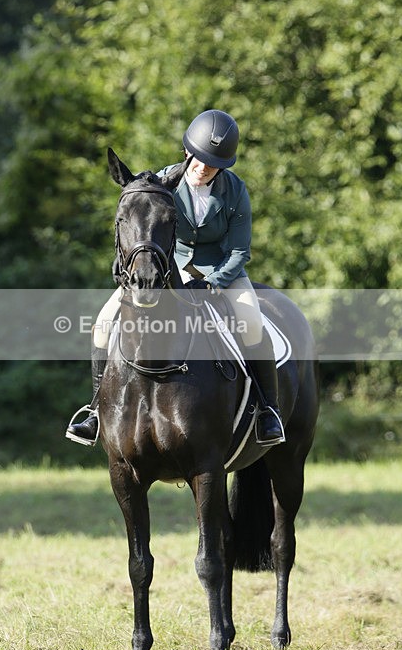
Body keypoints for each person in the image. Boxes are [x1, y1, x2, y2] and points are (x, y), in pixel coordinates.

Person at [66, 109, 285, 446]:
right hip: (170, 269)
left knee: (251, 321)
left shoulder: (235, 191)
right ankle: (95, 411)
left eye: (213, 163)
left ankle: (268, 413)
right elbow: (137, 224)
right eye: (199, 159)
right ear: (188, 152)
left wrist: (215, 282)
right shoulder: (162, 183)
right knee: (102, 324)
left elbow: (240, 251)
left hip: (222, 272)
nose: (204, 167)